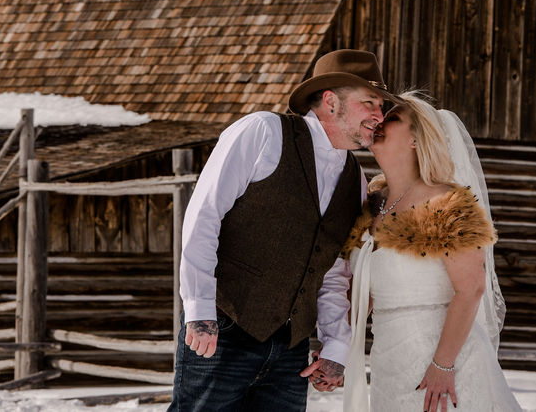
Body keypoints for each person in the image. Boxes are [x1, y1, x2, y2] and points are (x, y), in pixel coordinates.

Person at [168, 49, 400, 412]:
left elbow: (333, 269)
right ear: (330, 102)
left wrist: (336, 344)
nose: (379, 116)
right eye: (369, 102)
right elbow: (203, 217)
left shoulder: (355, 178)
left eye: (381, 106)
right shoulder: (262, 131)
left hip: (292, 351)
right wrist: (198, 310)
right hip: (224, 330)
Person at [342, 92, 523, 412]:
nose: (379, 120)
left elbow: (471, 289)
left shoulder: (448, 201)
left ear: (416, 139)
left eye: (393, 118)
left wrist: (443, 366)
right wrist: (337, 347)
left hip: (445, 369)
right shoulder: (373, 202)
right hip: (389, 367)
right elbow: (366, 293)